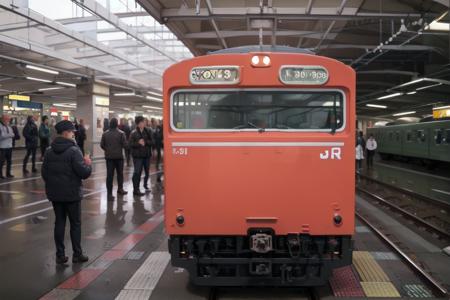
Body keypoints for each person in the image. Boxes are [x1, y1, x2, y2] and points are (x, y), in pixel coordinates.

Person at [42, 120, 92, 265]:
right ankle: (77, 254)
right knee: (75, 224)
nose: (73, 135)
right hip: (72, 194)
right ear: (66, 133)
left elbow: (45, 173)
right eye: (72, 132)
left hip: (55, 194)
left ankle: (60, 255)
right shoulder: (74, 151)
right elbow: (83, 173)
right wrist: (88, 164)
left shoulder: (49, 151)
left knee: (59, 222)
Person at [100, 118, 128, 200]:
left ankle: (109, 194)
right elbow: (125, 145)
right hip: (119, 157)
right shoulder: (121, 133)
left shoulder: (105, 134)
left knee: (109, 176)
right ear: (117, 124)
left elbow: (102, 145)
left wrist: (107, 149)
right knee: (120, 174)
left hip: (109, 158)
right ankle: (120, 189)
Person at [129, 116, 153, 196]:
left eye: (144, 122)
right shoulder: (133, 133)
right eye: (142, 122)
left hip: (146, 155)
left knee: (147, 172)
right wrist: (138, 143)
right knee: (137, 173)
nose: (144, 123)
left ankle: (145, 185)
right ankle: (136, 189)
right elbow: (130, 144)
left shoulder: (148, 131)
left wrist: (145, 142)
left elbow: (153, 142)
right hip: (138, 156)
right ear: (138, 124)